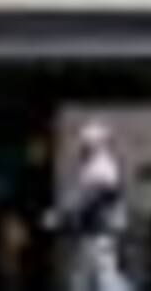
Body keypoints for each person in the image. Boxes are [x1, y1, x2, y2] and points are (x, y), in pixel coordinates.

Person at [44, 120, 132, 291]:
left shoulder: (103, 166)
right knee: (83, 277)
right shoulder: (91, 167)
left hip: (99, 232)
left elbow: (91, 198)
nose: (82, 148)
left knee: (104, 278)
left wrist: (61, 215)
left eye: (86, 144)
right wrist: (64, 213)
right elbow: (80, 196)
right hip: (90, 231)